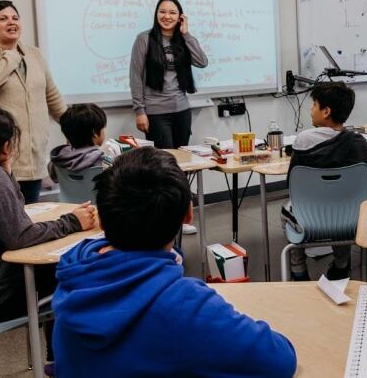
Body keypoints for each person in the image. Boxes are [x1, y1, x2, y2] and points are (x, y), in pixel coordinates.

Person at [52, 147, 297, 378]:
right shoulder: (185, 305)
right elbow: (279, 359)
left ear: (101, 222)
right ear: (188, 215)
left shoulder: (73, 276)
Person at [0, 107, 96, 374]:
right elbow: (20, 235)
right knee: (69, 272)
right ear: (6, 146)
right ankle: (58, 360)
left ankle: (58, 357)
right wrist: (72, 222)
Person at [282, 81, 367, 281]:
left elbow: (293, 183)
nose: (310, 109)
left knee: (288, 210)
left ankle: (299, 272)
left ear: (326, 111)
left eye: (314, 105)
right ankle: (341, 265)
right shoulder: (358, 143)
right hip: (350, 219)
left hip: (308, 218)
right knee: (342, 204)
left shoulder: (303, 140)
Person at [0, 0, 66, 202]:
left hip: (33, 160)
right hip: (1, 161)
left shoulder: (34, 54)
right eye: (3, 18)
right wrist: (10, 56)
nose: (11, 22)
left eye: (15, 18)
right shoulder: (9, 56)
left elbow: (52, 96)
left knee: (29, 220)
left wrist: (74, 128)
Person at [129, 0, 208, 149]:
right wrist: (140, 111)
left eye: (172, 12)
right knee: (164, 166)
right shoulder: (144, 39)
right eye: (162, 12)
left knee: (182, 164)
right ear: (156, 14)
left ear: (180, 17)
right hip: (156, 113)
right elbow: (135, 77)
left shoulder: (183, 39)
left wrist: (186, 34)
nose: (166, 16)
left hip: (182, 111)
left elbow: (202, 62)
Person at [48, 103, 107, 183]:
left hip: (69, 195)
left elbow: (54, 178)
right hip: (97, 195)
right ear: (95, 133)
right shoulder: (102, 159)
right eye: (104, 128)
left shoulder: (58, 158)